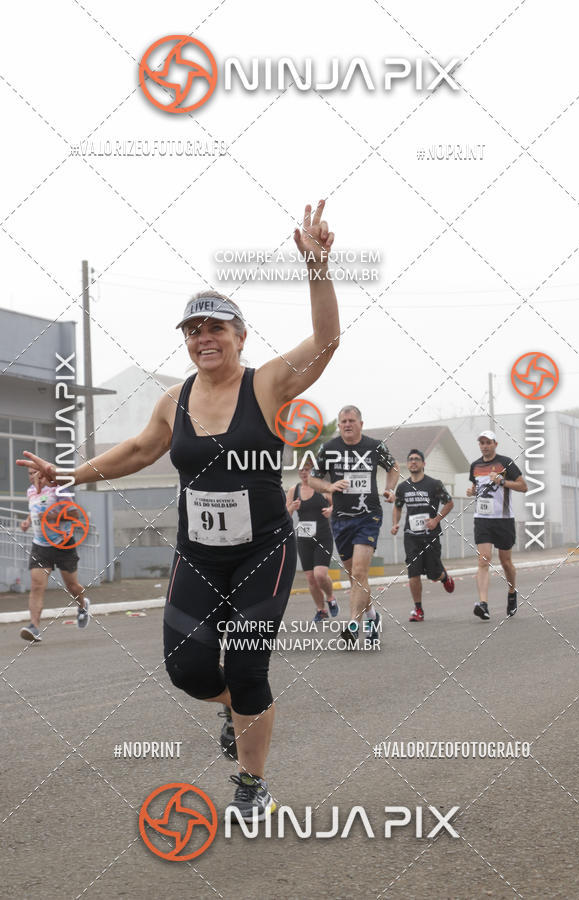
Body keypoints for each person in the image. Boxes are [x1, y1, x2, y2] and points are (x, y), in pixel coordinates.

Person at [18, 200, 339, 824]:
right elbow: (140, 450)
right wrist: (69, 475)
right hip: (197, 553)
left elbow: (326, 340)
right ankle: (230, 709)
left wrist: (317, 265)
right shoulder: (176, 398)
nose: (203, 338)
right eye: (193, 331)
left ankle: (252, 781)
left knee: (248, 666)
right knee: (187, 668)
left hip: (261, 551)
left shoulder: (268, 384)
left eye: (215, 328)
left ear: (240, 336)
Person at [309, 406, 398, 647]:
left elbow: (393, 467)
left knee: (359, 572)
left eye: (351, 420)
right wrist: (329, 487)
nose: (347, 424)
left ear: (361, 423)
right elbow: (312, 478)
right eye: (342, 421)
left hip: (368, 516)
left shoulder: (375, 446)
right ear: (339, 425)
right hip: (341, 519)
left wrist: (390, 489)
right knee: (354, 576)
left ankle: (353, 624)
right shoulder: (329, 448)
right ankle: (372, 616)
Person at [18, 469, 90, 642]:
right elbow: (36, 509)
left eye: (38, 473)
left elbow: (74, 514)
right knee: (36, 585)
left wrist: (50, 515)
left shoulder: (59, 490)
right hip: (40, 546)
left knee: (72, 586)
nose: (34, 476)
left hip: (63, 543)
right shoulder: (30, 491)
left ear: (45, 473)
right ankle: (34, 627)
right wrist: (28, 521)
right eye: (30, 473)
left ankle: (82, 605)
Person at [466, 430, 527, 620]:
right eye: (482, 442)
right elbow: (478, 488)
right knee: (483, 559)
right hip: (482, 519)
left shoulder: (505, 463)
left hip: (503, 519)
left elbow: (523, 486)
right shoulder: (475, 466)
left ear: (495, 444)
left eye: (488, 442)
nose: (485, 445)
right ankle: (483, 604)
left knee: (505, 562)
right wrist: (472, 491)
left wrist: (502, 481)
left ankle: (511, 593)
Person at [391, 449, 455, 622]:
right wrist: (395, 523)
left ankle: (444, 576)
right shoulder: (403, 487)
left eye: (417, 459)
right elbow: (397, 506)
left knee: (433, 574)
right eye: (410, 459)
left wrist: (436, 519)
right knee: (413, 572)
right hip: (411, 536)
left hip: (430, 535)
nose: (413, 462)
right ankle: (418, 609)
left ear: (423, 464)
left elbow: (449, 503)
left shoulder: (434, 484)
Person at [286, 462, 337, 623]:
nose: (303, 472)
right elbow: (285, 513)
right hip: (303, 538)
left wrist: (331, 510)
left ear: (313, 471)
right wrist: (292, 507)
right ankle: (321, 610)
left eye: (307, 469)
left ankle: (330, 597)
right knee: (311, 578)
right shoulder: (295, 490)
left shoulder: (322, 488)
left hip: (322, 536)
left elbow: (337, 504)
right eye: (301, 470)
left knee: (320, 575)